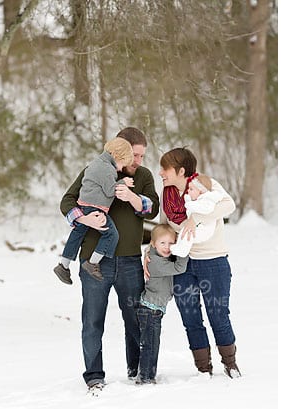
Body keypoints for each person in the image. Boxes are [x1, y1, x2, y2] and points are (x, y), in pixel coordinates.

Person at [60, 127, 159, 392]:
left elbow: (153, 209)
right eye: (134, 155)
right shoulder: (95, 169)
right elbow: (67, 202)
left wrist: (134, 199)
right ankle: (94, 376)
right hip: (94, 263)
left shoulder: (143, 175)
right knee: (92, 320)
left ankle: (136, 369)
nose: (137, 161)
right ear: (119, 150)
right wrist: (82, 217)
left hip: (129, 261)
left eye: (141, 156)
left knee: (135, 318)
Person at [158, 147, 241, 378]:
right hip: (182, 262)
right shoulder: (168, 194)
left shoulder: (205, 183)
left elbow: (228, 205)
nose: (160, 173)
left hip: (212, 260)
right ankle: (203, 368)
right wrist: (152, 249)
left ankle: (230, 363)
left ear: (180, 170)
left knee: (218, 314)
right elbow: (164, 226)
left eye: (165, 168)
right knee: (190, 317)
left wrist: (195, 217)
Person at [54, 138, 136, 284]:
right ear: (116, 156)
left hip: (83, 206)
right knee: (111, 234)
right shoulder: (107, 169)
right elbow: (110, 190)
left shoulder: (94, 163)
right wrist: (123, 182)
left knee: (77, 234)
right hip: (95, 209)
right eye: (122, 164)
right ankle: (92, 263)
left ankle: (63, 265)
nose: (121, 169)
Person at [136, 224, 188, 384]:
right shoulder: (155, 263)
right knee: (150, 344)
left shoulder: (156, 256)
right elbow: (179, 267)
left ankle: (148, 375)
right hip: (150, 310)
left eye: (171, 243)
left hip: (154, 309)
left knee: (152, 343)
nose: (167, 247)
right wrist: (183, 248)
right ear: (153, 244)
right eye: (162, 243)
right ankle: (145, 377)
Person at [168, 173, 225, 257]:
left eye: (191, 189)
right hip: (198, 227)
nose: (188, 191)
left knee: (188, 235)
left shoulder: (207, 200)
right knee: (184, 232)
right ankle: (180, 247)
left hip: (205, 230)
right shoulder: (197, 201)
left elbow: (207, 209)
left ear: (201, 191)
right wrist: (188, 200)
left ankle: (182, 250)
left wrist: (190, 205)